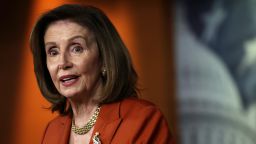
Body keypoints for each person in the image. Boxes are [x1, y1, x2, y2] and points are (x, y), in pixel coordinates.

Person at [30, 4, 174, 144]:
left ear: (104, 58)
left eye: (77, 49)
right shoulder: (52, 131)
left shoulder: (143, 120)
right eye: (53, 52)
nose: (63, 62)